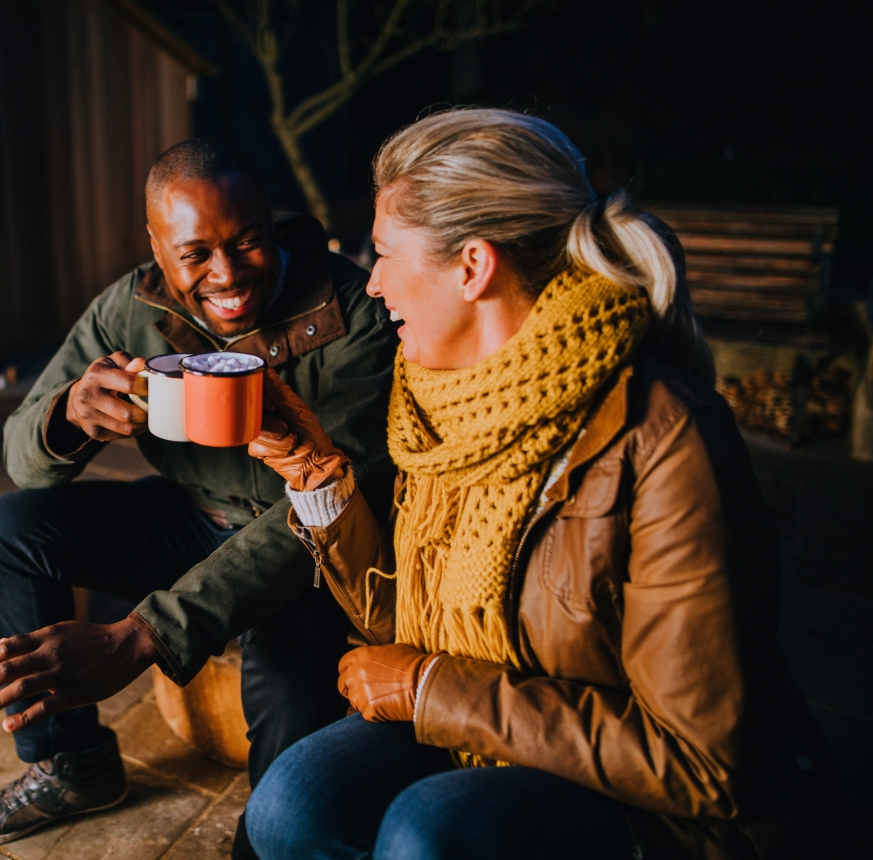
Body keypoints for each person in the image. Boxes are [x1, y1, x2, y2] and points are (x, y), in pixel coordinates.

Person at [242, 109, 846, 859]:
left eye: (387, 254)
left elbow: (699, 762)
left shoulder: (666, 440)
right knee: (291, 804)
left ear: (473, 266)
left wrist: (433, 692)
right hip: (478, 728)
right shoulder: (440, 401)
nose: (375, 285)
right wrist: (314, 472)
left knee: (430, 834)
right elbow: (407, 630)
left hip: (656, 805)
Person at [0, 138, 399, 853]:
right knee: (5, 529)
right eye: (195, 255)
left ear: (271, 221)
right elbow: (20, 456)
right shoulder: (127, 310)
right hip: (193, 516)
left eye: (249, 241)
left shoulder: (352, 314)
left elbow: (323, 511)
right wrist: (68, 416)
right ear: (157, 248)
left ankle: (263, 845)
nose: (227, 274)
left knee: (289, 699)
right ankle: (72, 765)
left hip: (308, 548)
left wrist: (142, 634)